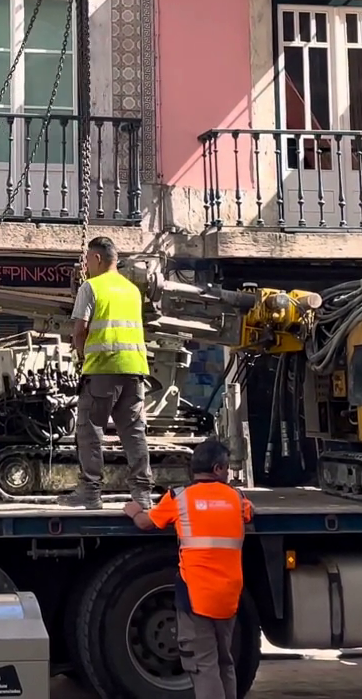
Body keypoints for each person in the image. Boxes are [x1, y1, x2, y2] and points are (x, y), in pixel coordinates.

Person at [124, 439, 253, 699]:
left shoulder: (180, 497)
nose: (228, 473)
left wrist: (134, 510)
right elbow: (249, 513)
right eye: (227, 468)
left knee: (203, 666)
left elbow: (147, 523)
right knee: (225, 662)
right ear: (217, 469)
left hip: (197, 598)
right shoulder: (237, 498)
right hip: (228, 597)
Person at [60, 235, 153, 509]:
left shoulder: (91, 287)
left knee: (89, 431)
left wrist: (81, 356)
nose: (86, 266)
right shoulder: (132, 290)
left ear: (97, 258)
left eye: (87, 260)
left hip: (102, 370)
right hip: (134, 370)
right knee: (134, 433)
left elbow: (79, 331)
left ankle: (90, 493)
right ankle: (142, 495)